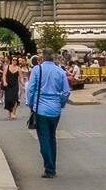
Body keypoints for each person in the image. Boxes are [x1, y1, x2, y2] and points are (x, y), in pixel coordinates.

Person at [26, 48, 72, 178]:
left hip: (41, 108)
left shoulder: (37, 69)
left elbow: (31, 89)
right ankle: (53, 165)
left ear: (43, 57)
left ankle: (49, 168)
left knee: (44, 138)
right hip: (55, 109)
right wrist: (61, 103)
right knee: (52, 137)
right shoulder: (60, 71)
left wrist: (31, 104)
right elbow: (66, 91)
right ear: (54, 57)